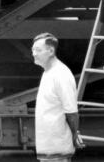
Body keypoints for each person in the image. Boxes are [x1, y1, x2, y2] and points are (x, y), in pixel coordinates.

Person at [31, 32, 84, 161]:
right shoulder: (48, 72)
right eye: (33, 50)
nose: (34, 54)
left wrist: (74, 134)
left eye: (38, 50)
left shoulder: (61, 74)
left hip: (58, 146)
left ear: (50, 51)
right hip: (48, 145)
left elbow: (71, 112)